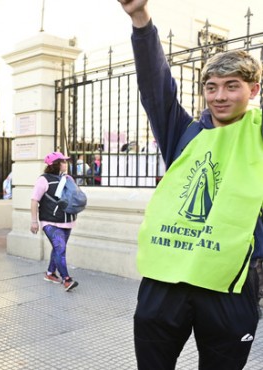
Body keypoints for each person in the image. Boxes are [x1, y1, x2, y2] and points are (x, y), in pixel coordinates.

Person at [118, 1, 263, 369]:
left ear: (254, 89)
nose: (220, 96)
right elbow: (156, 88)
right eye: (211, 87)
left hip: (229, 282)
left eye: (232, 86)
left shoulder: (258, 135)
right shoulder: (184, 133)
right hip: (168, 277)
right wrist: (140, 19)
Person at [30, 151, 79, 292]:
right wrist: (34, 221)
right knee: (60, 248)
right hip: (49, 221)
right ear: (55, 164)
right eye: (63, 161)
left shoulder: (68, 178)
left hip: (67, 221)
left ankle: (50, 273)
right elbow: (34, 200)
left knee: (58, 248)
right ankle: (67, 279)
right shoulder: (43, 180)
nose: (66, 163)